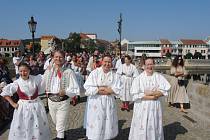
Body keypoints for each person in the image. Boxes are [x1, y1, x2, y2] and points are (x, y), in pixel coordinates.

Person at [0, 63, 50, 140]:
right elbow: (5, 93)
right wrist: (13, 104)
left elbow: (46, 76)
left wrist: (51, 67)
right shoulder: (17, 83)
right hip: (23, 107)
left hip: (36, 105)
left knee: (37, 125)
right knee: (24, 125)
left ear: (29, 71)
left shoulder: (36, 79)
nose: (23, 73)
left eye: (25, 71)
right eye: (21, 71)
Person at [129, 58, 171, 140]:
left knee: (154, 124)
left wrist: (150, 93)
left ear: (154, 65)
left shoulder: (159, 77)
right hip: (142, 106)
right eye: (147, 64)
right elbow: (135, 95)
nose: (149, 66)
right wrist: (152, 96)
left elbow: (165, 90)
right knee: (142, 125)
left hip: (154, 106)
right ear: (144, 66)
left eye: (151, 64)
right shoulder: (139, 78)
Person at [43, 50, 80, 140]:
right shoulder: (48, 71)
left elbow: (75, 88)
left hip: (63, 101)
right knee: (56, 122)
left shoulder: (68, 72)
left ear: (64, 59)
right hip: (51, 100)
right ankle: (62, 134)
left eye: (60, 57)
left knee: (60, 123)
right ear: (53, 58)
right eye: (56, 57)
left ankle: (60, 137)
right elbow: (42, 83)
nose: (58, 59)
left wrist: (66, 92)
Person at [84, 54, 121, 140]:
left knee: (108, 121)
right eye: (105, 61)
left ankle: (107, 137)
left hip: (108, 102)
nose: (107, 64)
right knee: (96, 122)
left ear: (111, 63)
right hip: (96, 103)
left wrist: (100, 88)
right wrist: (103, 89)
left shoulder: (114, 75)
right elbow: (88, 87)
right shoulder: (95, 73)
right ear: (102, 62)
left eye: (109, 62)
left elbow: (118, 89)